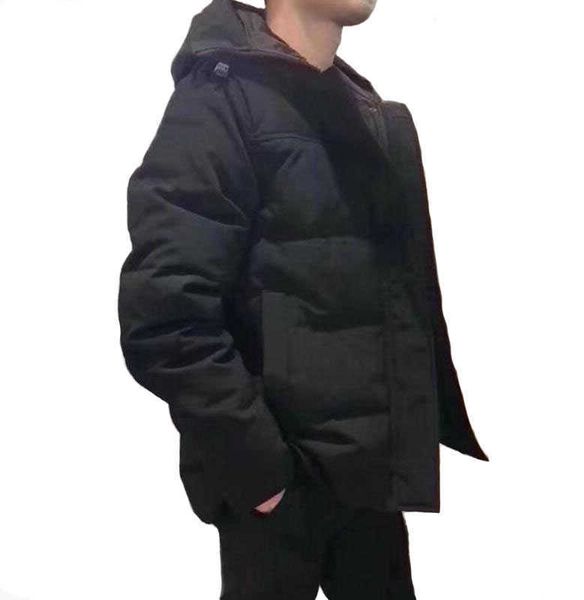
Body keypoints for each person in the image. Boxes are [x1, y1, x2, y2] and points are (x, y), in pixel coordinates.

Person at [117, 0, 489, 598]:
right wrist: (259, 470)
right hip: (278, 490)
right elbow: (166, 315)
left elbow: (394, 301)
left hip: (368, 482)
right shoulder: (220, 100)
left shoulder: (362, 109)